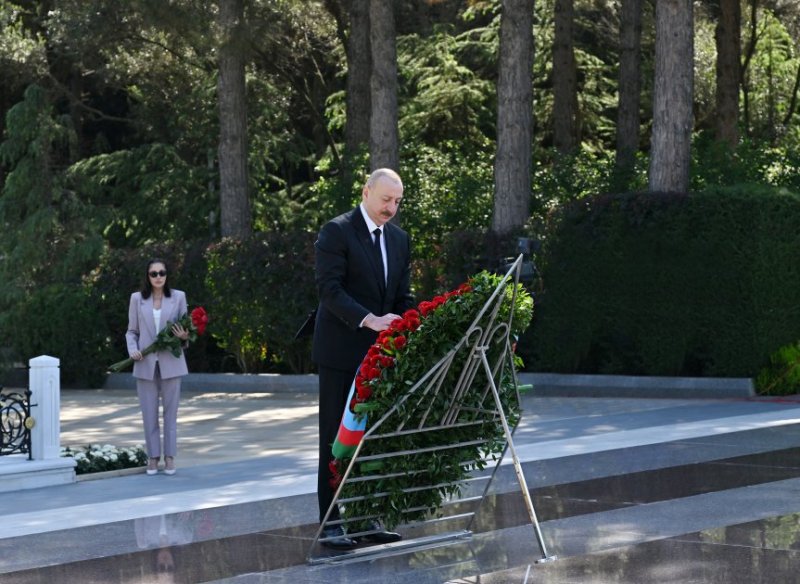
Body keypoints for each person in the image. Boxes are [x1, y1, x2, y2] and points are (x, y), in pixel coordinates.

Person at [312, 168, 416, 549]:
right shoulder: (337, 231)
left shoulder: (400, 240)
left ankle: (364, 516)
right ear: (367, 191)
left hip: (381, 355)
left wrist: (412, 323)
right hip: (341, 353)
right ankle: (332, 522)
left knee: (372, 439)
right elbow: (329, 290)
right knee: (336, 439)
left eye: (397, 202)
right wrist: (369, 320)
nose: (392, 208)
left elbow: (402, 297)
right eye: (386, 199)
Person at [126, 258, 190, 476]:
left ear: (167, 275)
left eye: (162, 273)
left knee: (171, 414)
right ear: (147, 276)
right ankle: (153, 457)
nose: (158, 277)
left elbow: (185, 329)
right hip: (145, 363)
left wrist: (184, 337)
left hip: (171, 363)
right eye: (153, 274)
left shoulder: (178, 297)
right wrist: (132, 349)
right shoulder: (136, 299)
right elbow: (131, 331)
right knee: (149, 413)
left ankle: (169, 457)